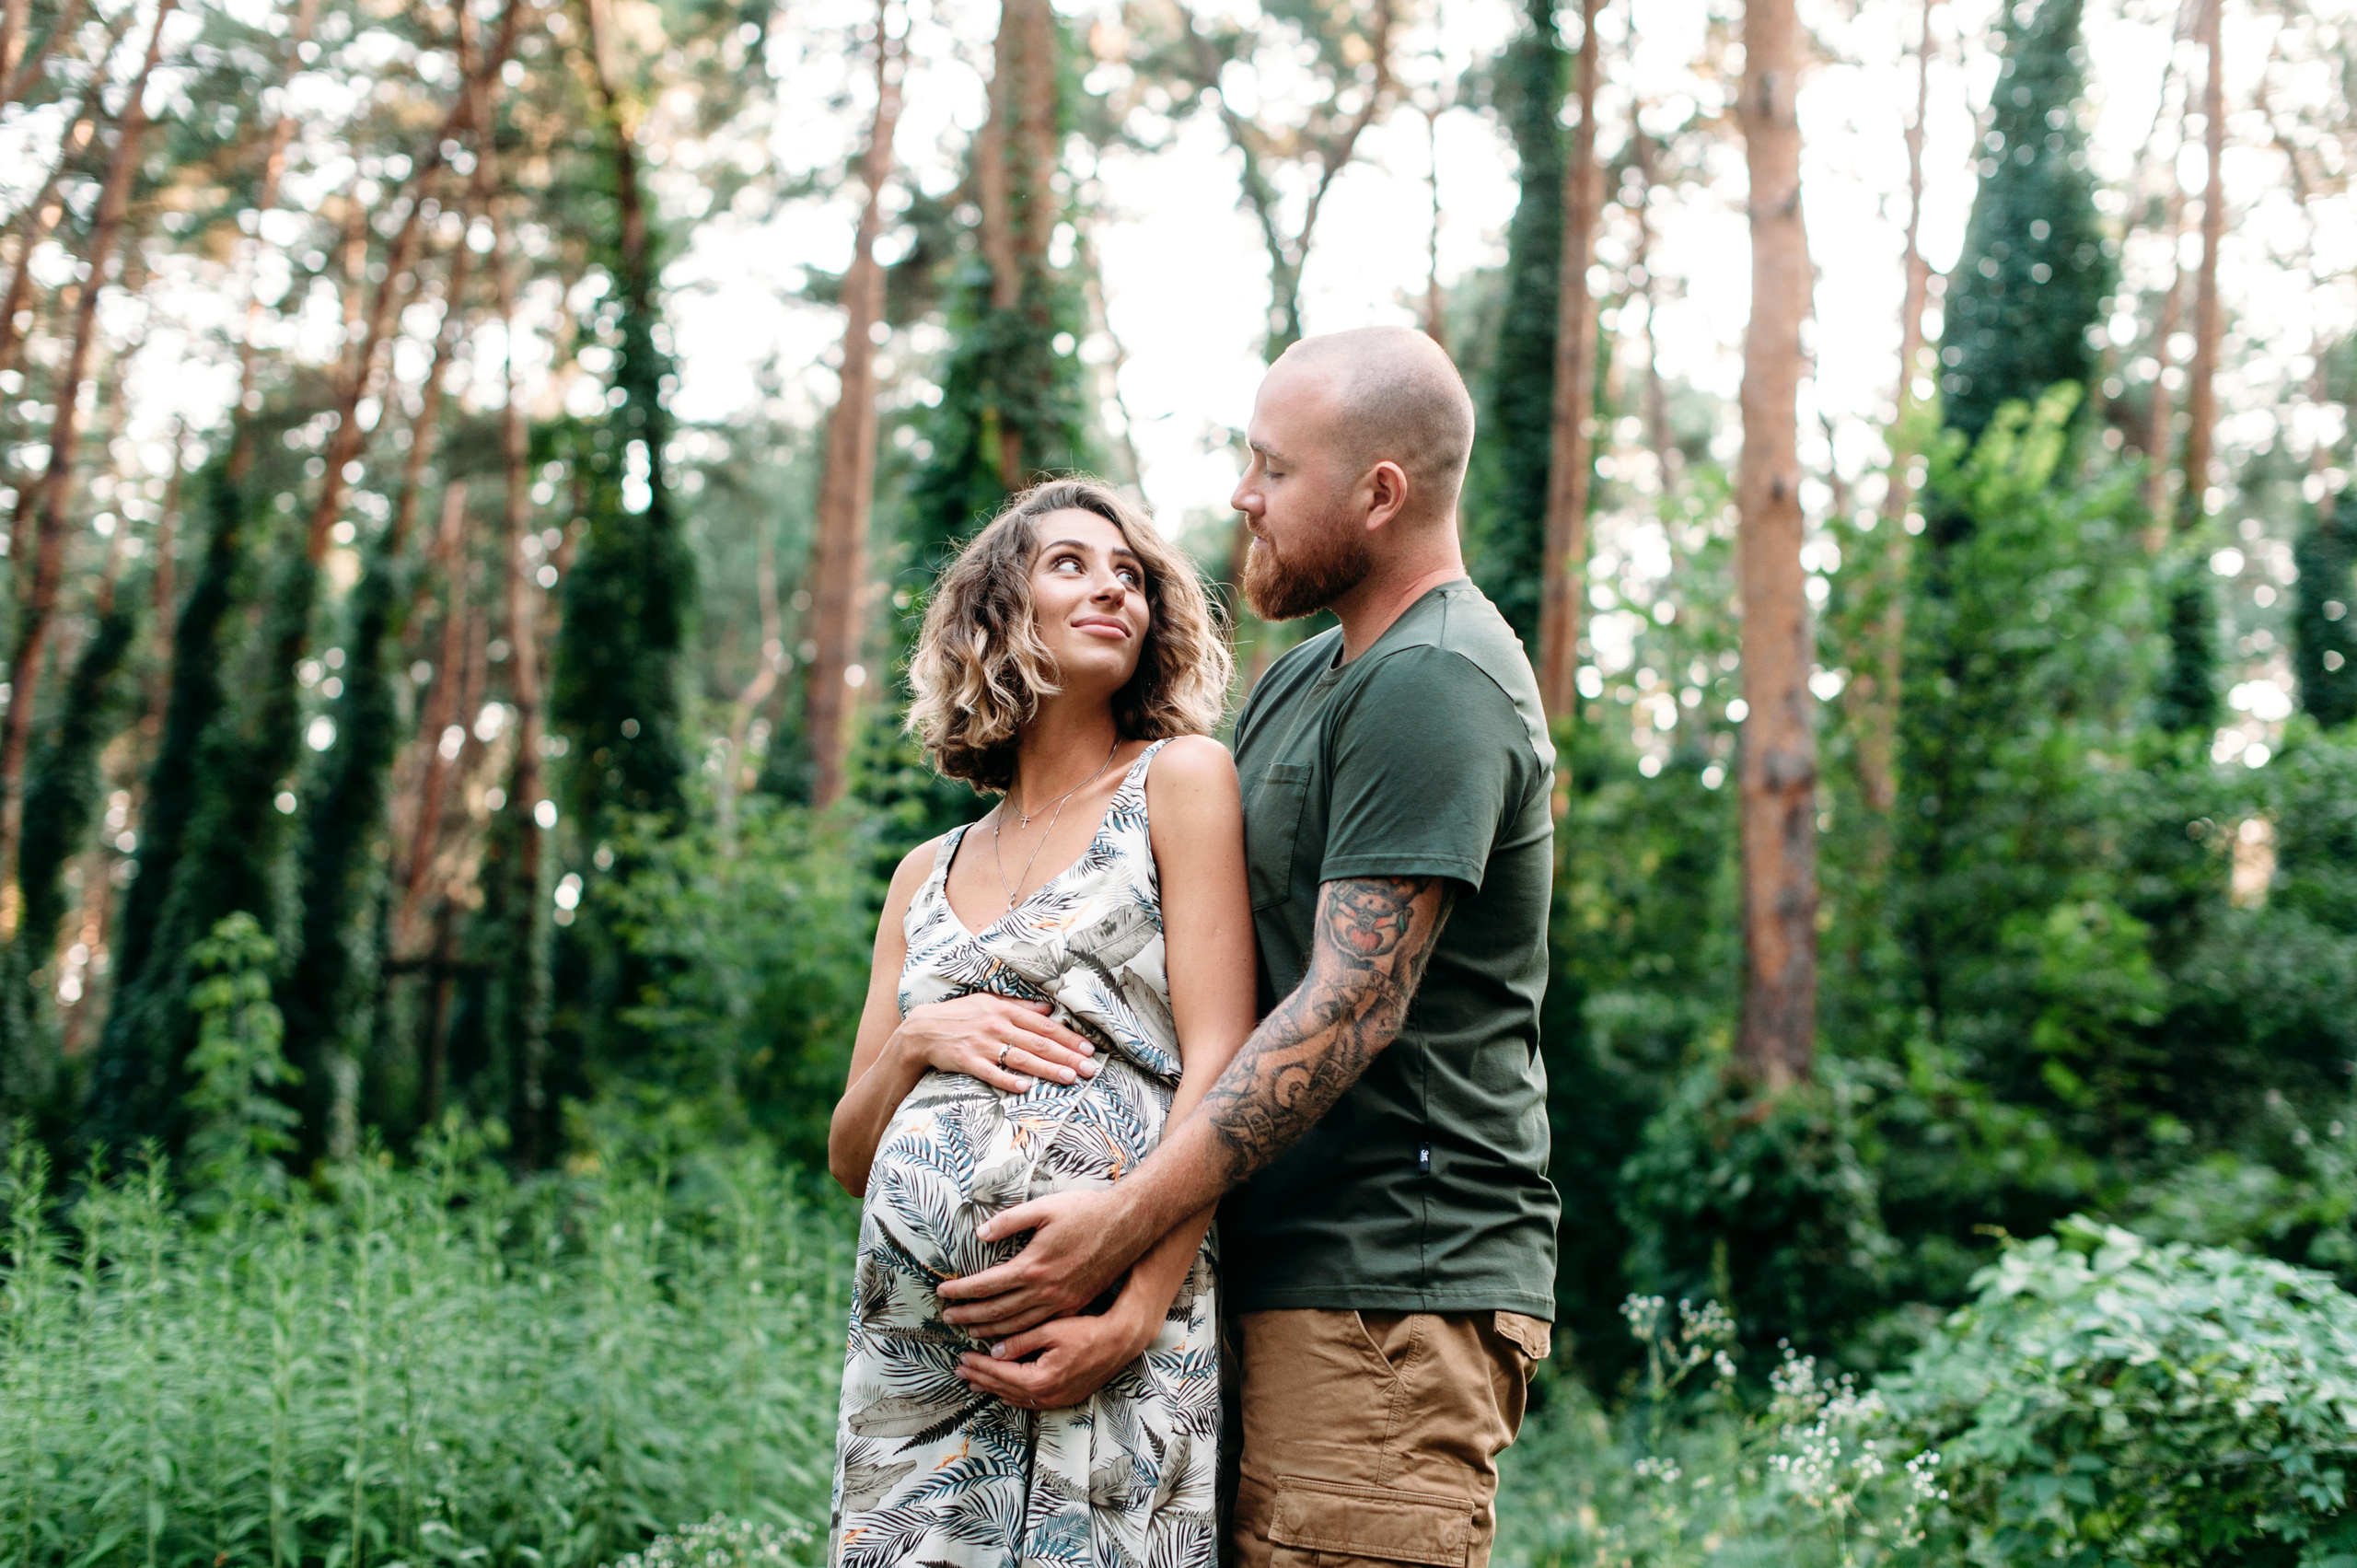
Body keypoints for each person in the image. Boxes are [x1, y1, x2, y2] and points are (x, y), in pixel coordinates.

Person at [937, 326, 1562, 1568]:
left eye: (1275, 468)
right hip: (1255, 1274)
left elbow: (1347, 1008)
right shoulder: (1307, 677)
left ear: (1379, 493)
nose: (1242, 495)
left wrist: (1119, 1226)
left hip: (1385, 1292)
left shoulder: (1435, 677)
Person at [823, 477, 1252, 1568]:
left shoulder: (1179, 781)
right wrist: (918, 1041)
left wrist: (1136, 1308)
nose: (1113, 588)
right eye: (1070, 564)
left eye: (1131, 576)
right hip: (917, 1371)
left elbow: (1224, 1060)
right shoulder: (923, 873)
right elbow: (849, 1156)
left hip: (1106, 1333)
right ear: (995, 611)